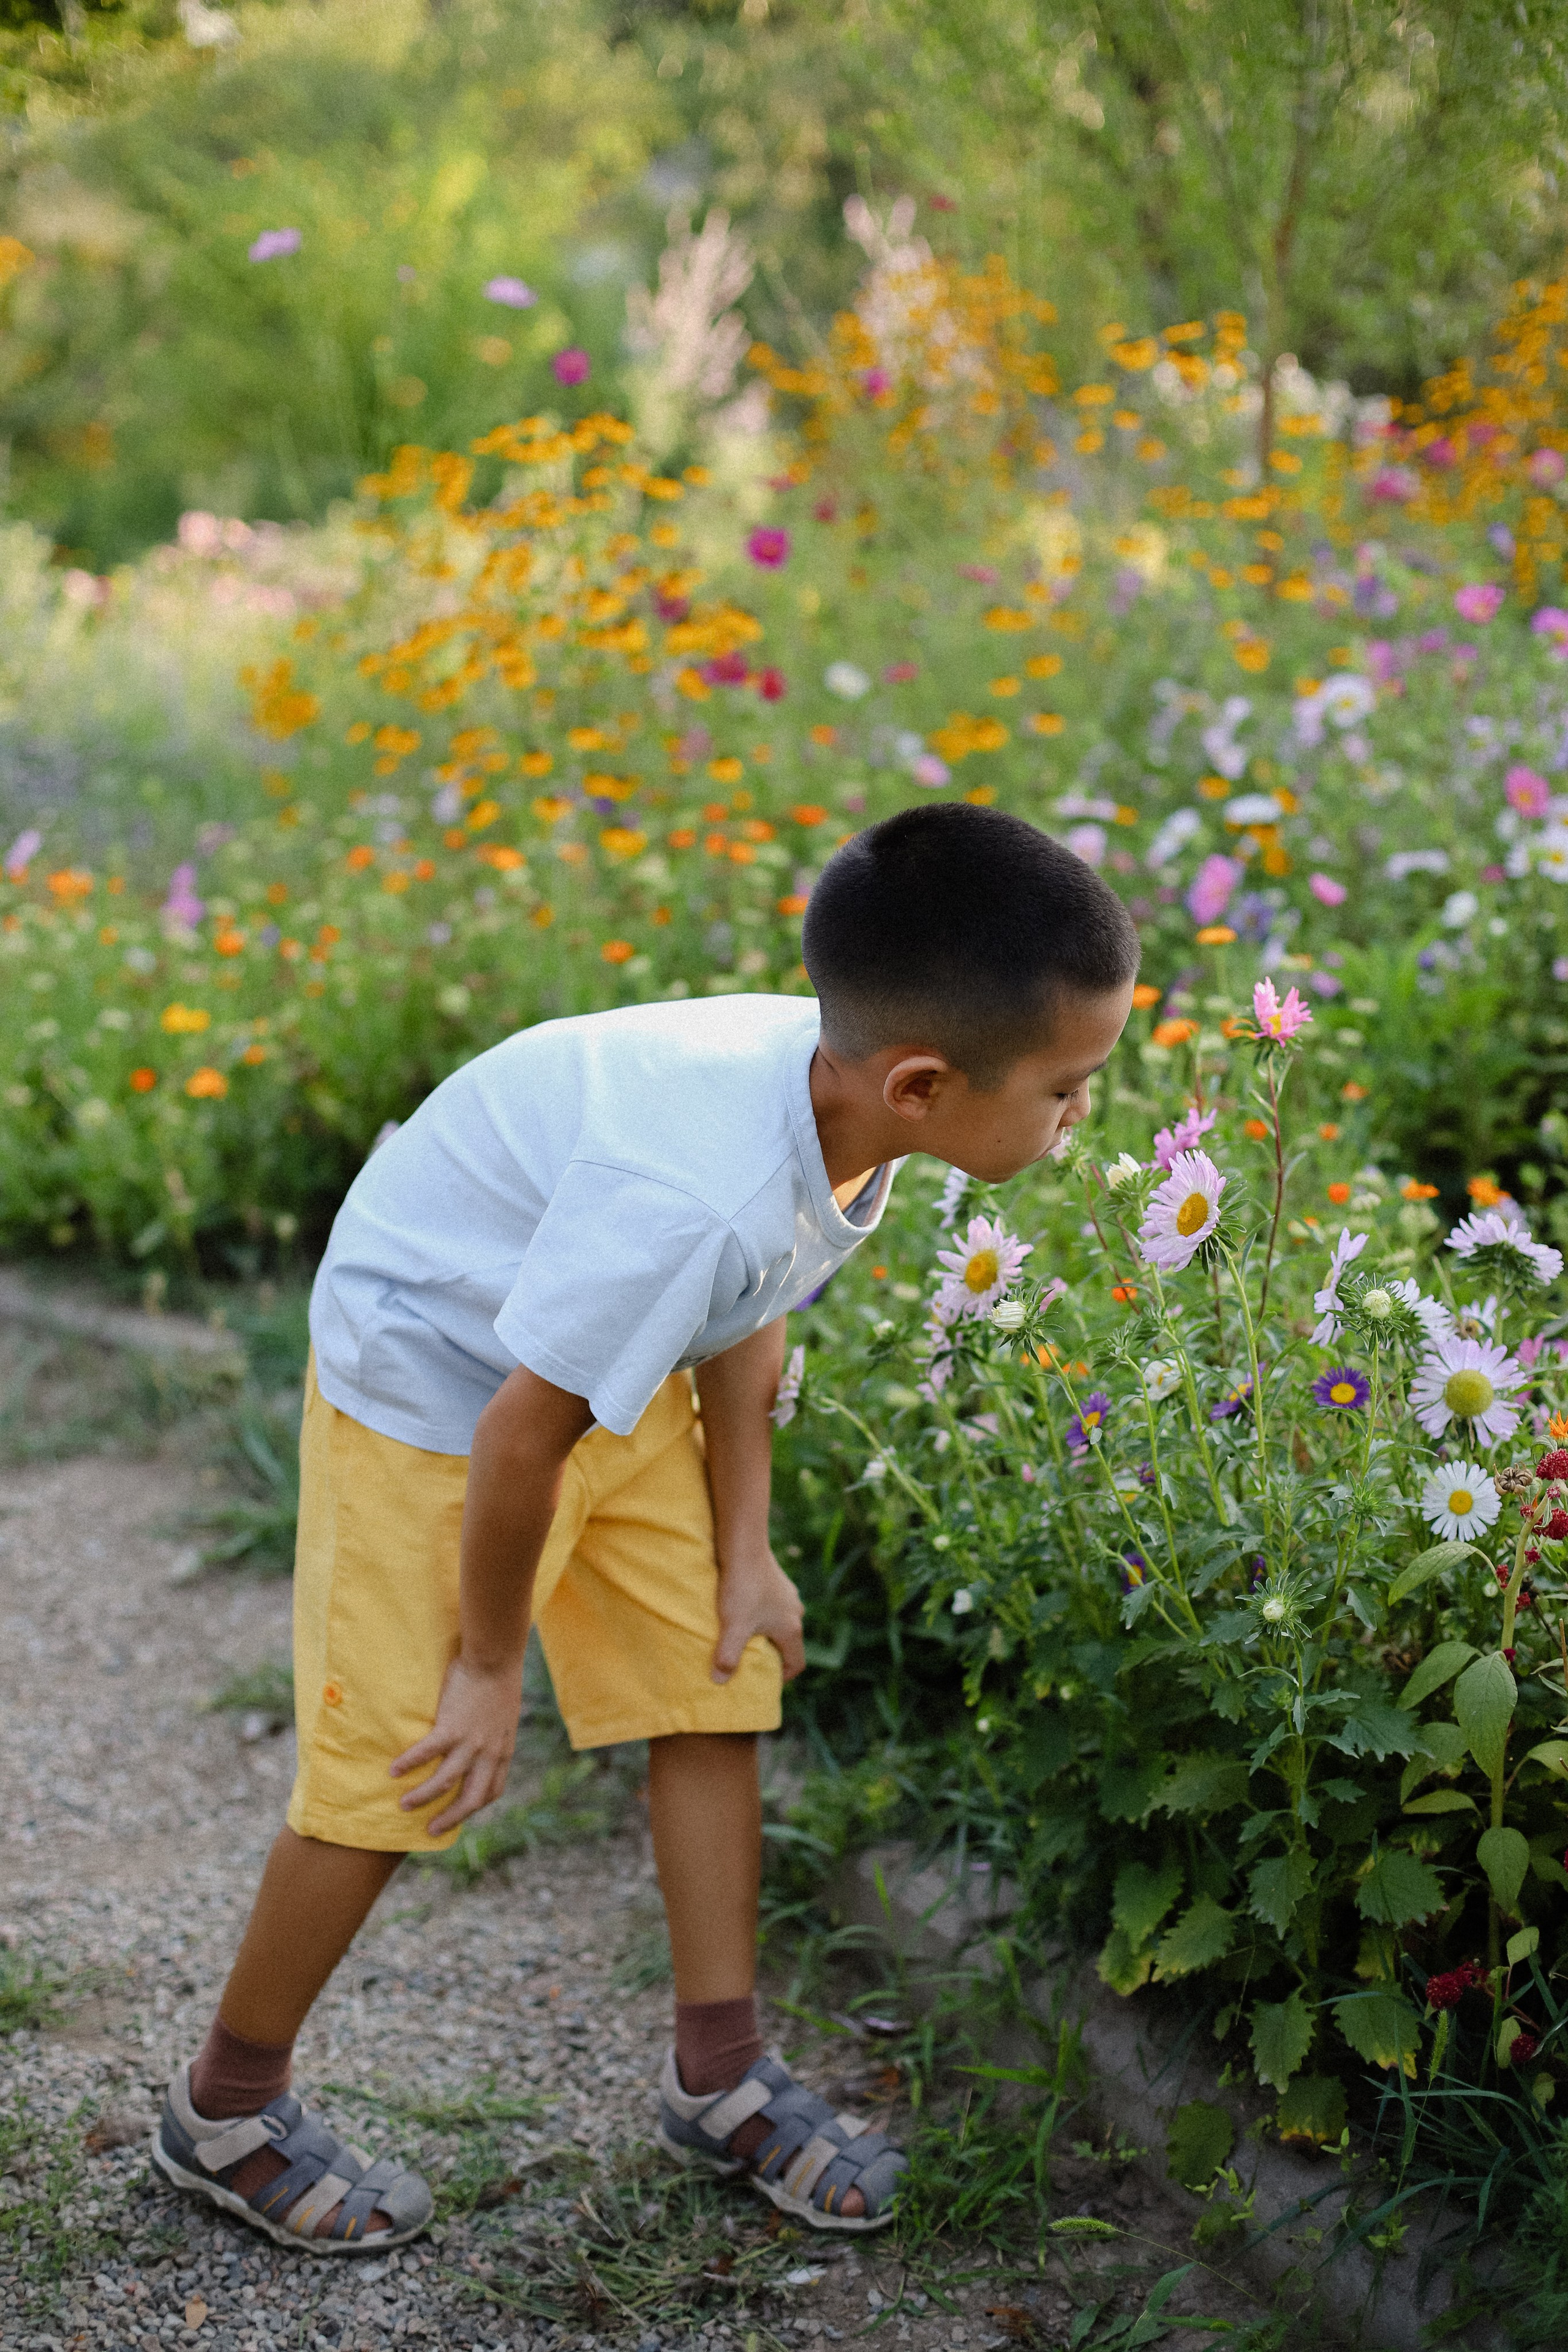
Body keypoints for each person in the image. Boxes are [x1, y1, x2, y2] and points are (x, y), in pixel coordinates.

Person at [152, 801, 1138, 2250]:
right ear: (924, 1084)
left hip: (592, 1354)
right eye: (1065, 1087)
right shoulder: (695, 1192)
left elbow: (748, 1309)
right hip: (444, 1384)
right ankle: (225, 2107)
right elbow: (519, 1436)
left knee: (712, 1673)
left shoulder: (839, 1104)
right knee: (401, 1765)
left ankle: (717, 2076)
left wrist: (746, 1552)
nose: (1076, 1115)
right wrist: (490, 1666)